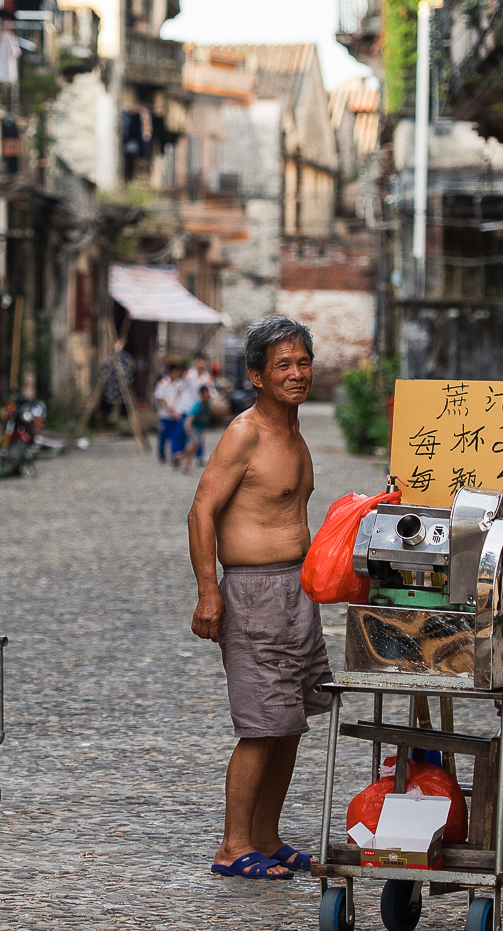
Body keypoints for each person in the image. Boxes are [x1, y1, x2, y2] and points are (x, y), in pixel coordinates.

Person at [187, 315, 329, 881]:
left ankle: (266, 837)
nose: (296, 374)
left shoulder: (294, 431)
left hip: (297, 590)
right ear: (257, 376)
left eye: (302, 362)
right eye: (283, 366)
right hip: (254, 592)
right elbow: (201, 510)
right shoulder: (245, 432)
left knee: (289, 721)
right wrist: (207, 592)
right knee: (261, 725)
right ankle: (232, 845)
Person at [154, 362, 186, 464]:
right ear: (171, 372)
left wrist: (177, 410)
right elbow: (160, 398)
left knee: (176, 437)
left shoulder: (180, 384)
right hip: (165, 415)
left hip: (176, 414)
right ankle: (162, 455)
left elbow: (182, 398)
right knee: (163, 436)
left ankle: (175, 456)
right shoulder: (162, 383)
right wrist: (169, 409)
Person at [177, 384, 212, 473]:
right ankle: (185, 466)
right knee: (193, 446)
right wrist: (187, 428)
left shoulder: (208, 405)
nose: (207, 395)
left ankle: (179, 457)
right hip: (194, 428)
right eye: (205, 394)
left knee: (193, 448)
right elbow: (189, 419)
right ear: (201, 395)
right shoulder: (197, 406)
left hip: (200, 429)